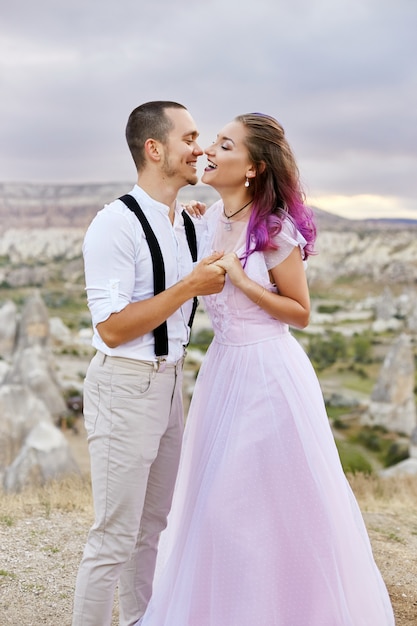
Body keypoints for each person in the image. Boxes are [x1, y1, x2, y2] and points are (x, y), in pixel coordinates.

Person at [137, 113, 396, 625]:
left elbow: (300, 313)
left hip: (270, 377)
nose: (210, 150)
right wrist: (196, 216)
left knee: (253, 507)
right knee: (215, 506)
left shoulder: (275, 230)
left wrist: (241, 278)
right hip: (223, 372)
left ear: (253, 167)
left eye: (224, 144)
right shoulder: (209, 219)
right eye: (212, 141)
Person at [72, 101, 226, 626]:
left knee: (152, 525)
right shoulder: (114, 225)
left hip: (172, 383)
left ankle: (141, 621)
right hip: (126, 385)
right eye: (190, 137)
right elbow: (112, 327)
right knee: (113, 537)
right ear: (153, 148)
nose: (199, 148)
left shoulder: (187, 223)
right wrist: (188, 286)